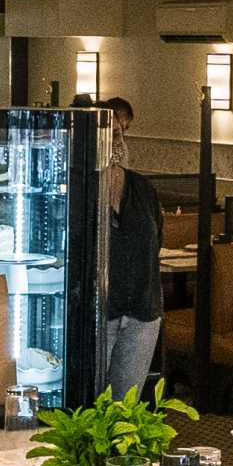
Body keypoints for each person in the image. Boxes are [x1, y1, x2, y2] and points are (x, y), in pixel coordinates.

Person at [95, 96, 167, 397]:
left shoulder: (142, 188)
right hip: (98, 311)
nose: (118, 141)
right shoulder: (80, 185)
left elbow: (156, 240)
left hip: (142, 309)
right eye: (112, 133)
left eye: (123, 132)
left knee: (127, 406)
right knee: (89, 404)